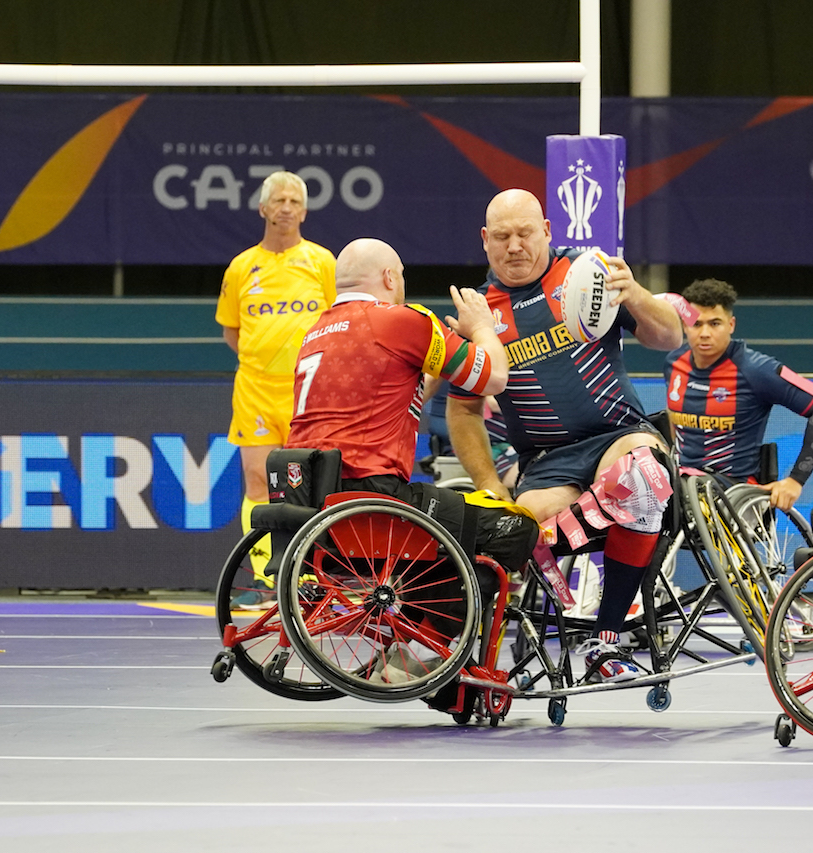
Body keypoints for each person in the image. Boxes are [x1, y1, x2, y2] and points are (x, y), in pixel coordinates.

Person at [447, 189, 684, 683]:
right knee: (513, 531)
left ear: (549, 231)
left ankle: (607, 641)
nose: (515, 246)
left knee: (638, 477)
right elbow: (464, 410)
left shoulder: (587, 274)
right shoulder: (479, 314)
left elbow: (669, 339)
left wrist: (635, 292)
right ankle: (468, 659)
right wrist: (490, 484)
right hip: (546, 462)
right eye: (504, 237)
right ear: (485, 242)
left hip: (617, 436)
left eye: (526, 233)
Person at [284, 237, 538, 686]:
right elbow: (495, 377)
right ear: (389, 278)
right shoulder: (403, 320)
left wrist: (444, 354)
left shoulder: (316, 330)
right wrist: (482, 328)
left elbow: (402, 391)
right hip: (375, 503)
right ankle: (423, 653)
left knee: (450, 533)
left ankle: (415, 649)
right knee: (512, 529)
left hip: (314, 510)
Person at [216, 171, 336, 575]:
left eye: (294, 201)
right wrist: (264, 359)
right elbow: (231, 332)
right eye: (278, 201)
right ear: (262, 208)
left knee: (313, 486)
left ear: (304, 211)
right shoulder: (241, 267)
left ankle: (310, 574)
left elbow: (341, 321)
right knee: (257, 479)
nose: (286, 208)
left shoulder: (322, 262)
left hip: (310, 390)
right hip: (255, 390)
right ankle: (266, 577)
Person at [664, 278, 813, 510]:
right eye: (696, 324)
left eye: (715, 323)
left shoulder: (757, 369)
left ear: (731, 325)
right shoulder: (674, 364)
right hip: (680, 485)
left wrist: (795, 481)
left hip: (734, 494)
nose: (704, 333)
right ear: (685, 326)